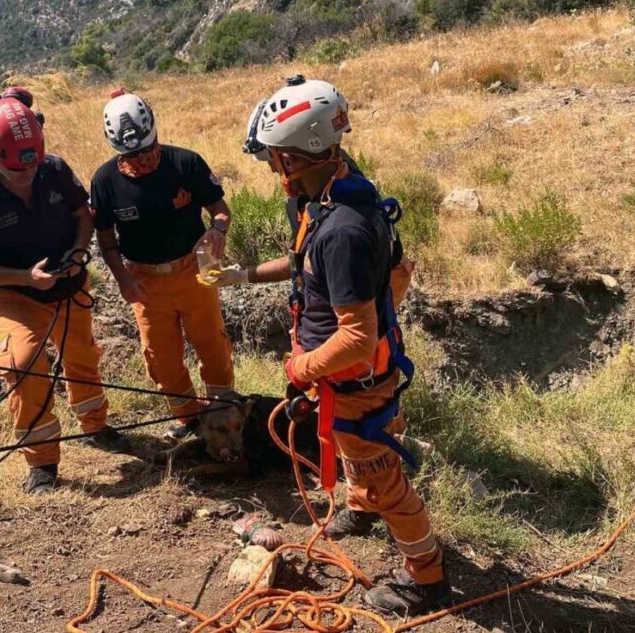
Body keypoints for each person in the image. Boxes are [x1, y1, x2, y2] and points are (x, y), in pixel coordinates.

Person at [208, 76, 452, 615]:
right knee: (362, 462)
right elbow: (306, 266)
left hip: (355, 379)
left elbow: (357, 338)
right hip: (353, 377)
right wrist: (239, 277)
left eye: (274, 160)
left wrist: (301, 369)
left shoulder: (341, 230)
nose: (273, 171)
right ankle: (362, 507)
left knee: (385, 480)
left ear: (295, 158)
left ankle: (426, 577)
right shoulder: (337, 188)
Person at [0, 87, 130, 496]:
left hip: (68, 285)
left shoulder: (55, 169)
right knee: (21, 363)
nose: (27, 175)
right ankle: (43, 461)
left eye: (31, 168)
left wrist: (78, 250)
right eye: (17, 171)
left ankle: (95, 426)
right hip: (15, 294)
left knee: (82, 355)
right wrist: (24, 278)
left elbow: (81, 215)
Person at [90, 89, 235, 440]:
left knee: (212, 346)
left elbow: (220, 210)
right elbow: (107, 241)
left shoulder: (186, 163)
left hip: (193, 271)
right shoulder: (105, 182)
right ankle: (190, 421)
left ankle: (226, 416)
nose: (145, 160)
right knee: (162, 360)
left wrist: (217, 230)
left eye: (149, 149)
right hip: (144, 279)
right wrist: (122, 278)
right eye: (134, 156)